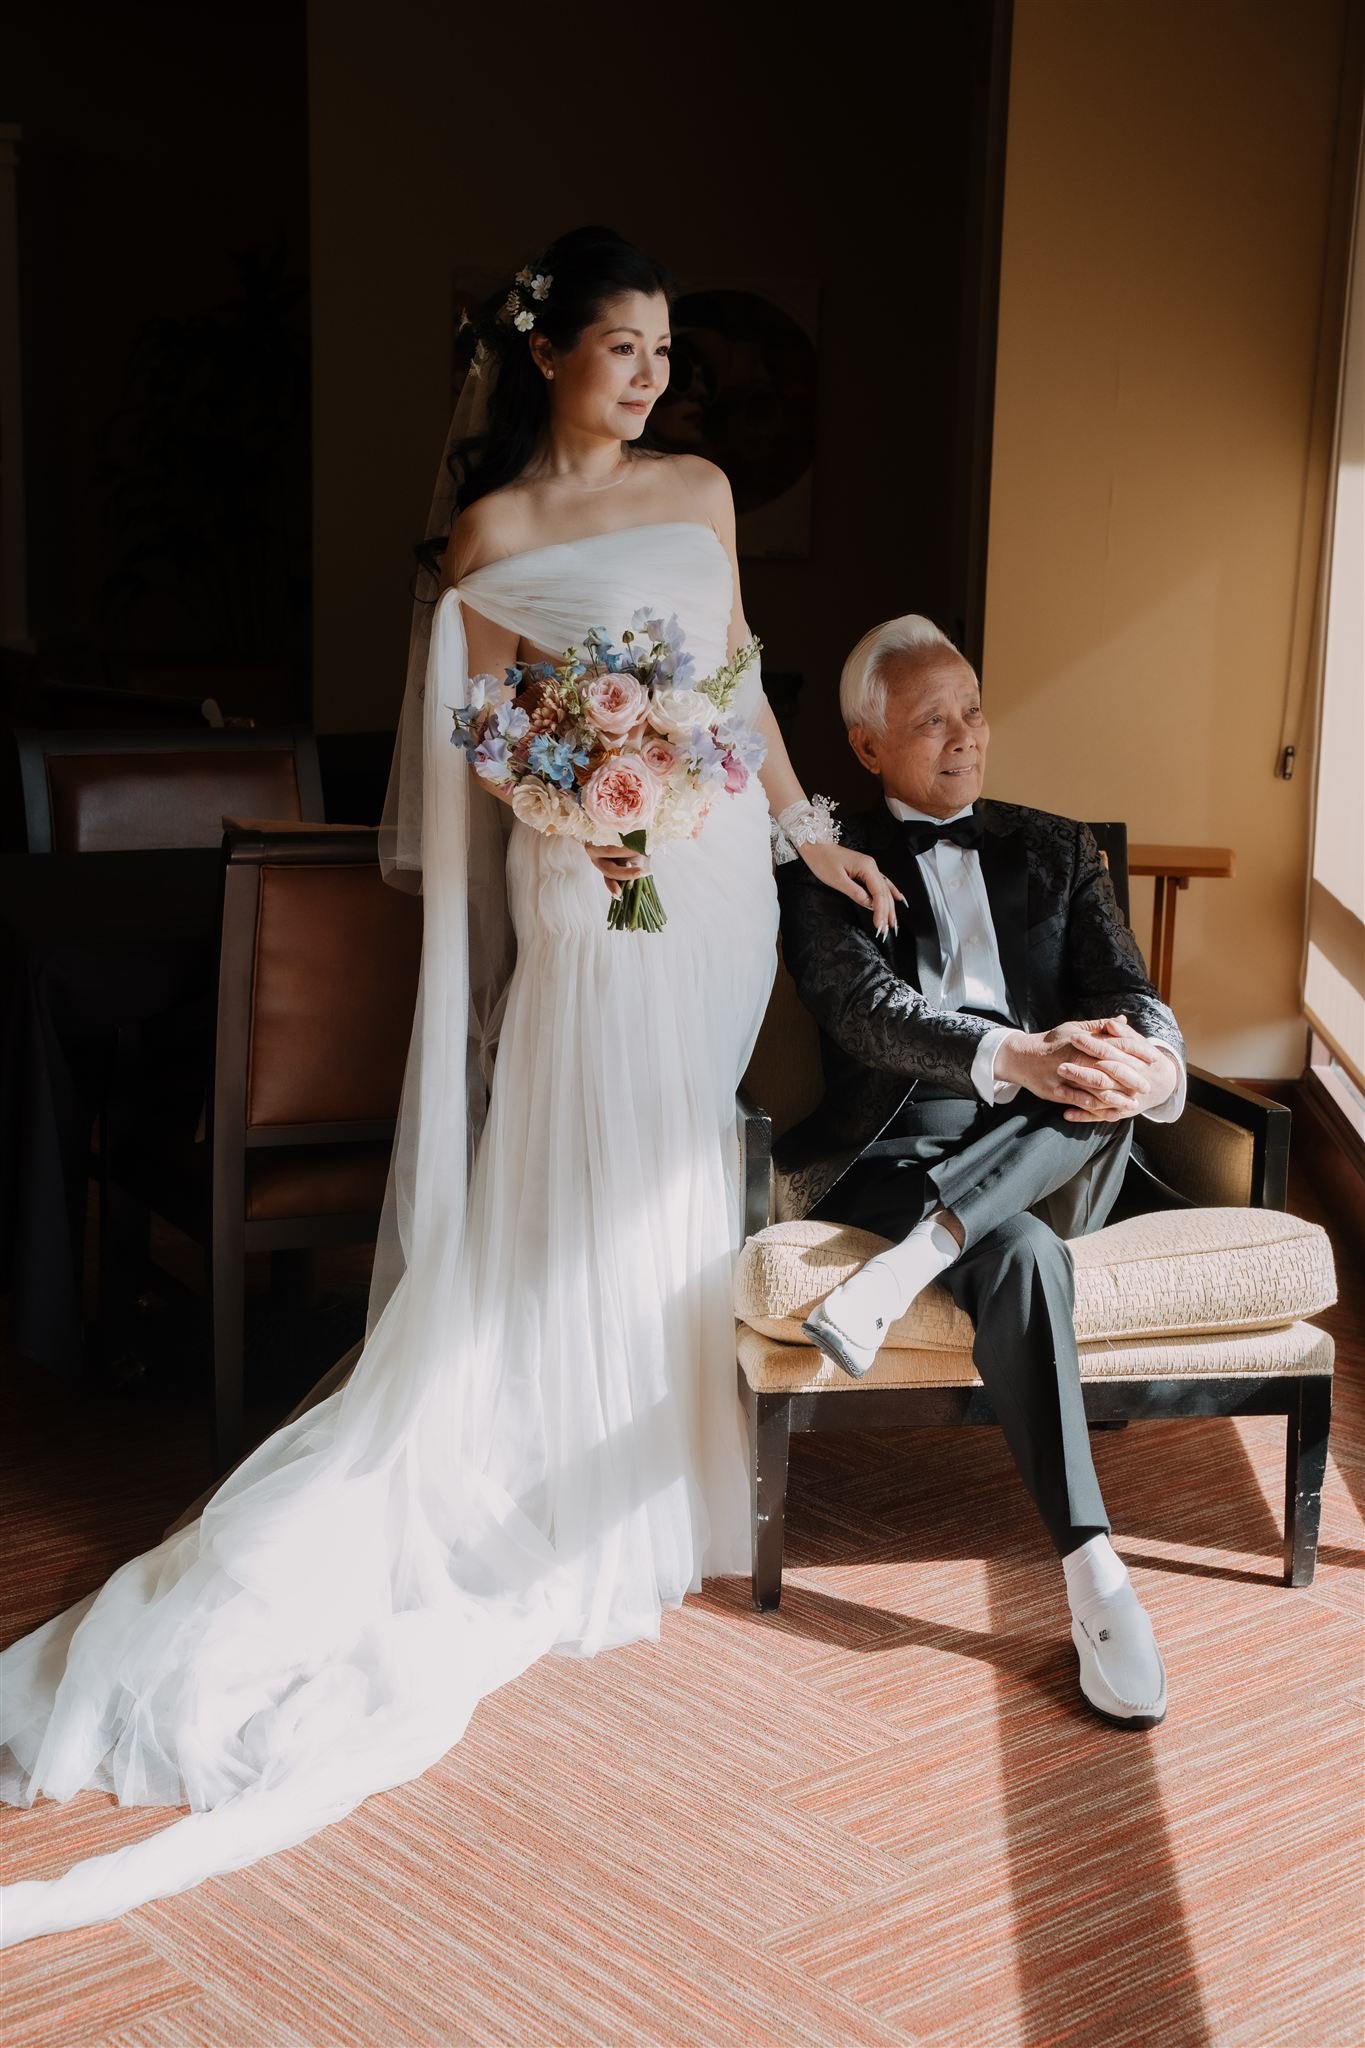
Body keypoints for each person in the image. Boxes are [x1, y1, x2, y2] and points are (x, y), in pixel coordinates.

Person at [0, 225, 897, 1944]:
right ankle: (552, 1461)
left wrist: (806, 835)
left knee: (676, 1158)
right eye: (619, 349)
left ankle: (656, 1460)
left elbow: (738, 685)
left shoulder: (702, 489)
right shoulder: (489, 539)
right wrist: (594, 809)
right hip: (591, 878)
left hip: (712, 888)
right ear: (549, 354)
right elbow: (489, 740)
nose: (647, 379)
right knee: (585, 1157)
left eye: (660, 354)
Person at [776, 612, 1186, 1731]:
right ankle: (1094, 1571)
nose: (965, 736)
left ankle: (915, 1261)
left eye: (973, 708)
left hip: (1064, 1136)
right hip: (903, 1145)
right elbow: (860, 1011)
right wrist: (1014, 1052)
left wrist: (1149, 1061)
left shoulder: (1057, 846)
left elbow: (1132, 989)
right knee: (1025, 1256)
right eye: (930, 720)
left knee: (1105, 1077)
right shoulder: (823, 861)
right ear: (868, 747)